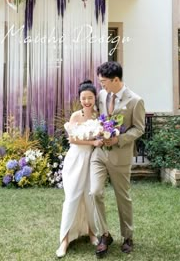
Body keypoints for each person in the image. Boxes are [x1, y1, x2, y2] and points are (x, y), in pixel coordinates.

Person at [90, 61, 145, 257]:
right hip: (99, 154)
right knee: (95, 192)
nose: (101, 85)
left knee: (123, 197)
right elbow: (99, 117)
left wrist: (119, 139)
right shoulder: (103, 95)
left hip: (121, 156)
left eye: (104, 81)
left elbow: (139, 128)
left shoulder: (135, 101)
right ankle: (104, 234)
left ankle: (128, 236)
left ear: (116, 80)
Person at [56, 80, 104, 258]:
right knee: (72, 197)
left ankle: (92, 232)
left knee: (89, 196)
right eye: (83, 98)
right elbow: (73, 140)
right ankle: (64, 240)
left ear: (94, 98)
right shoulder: (76, 116)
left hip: (92, 161)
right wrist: (92, 142)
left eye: (90, 97)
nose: (87, 101)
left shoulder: (99, 117)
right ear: (80, 99)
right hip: (76, 160)